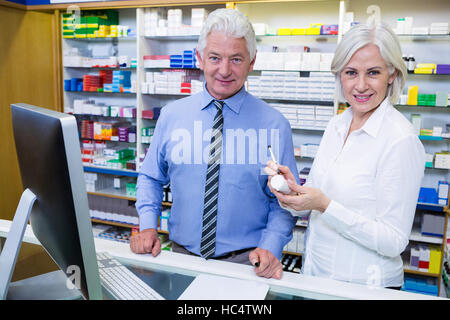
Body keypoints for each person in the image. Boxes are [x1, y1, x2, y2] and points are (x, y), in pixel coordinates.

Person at [130, 8, 298, 280]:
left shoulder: (274, 125)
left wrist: (271, 247)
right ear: (199, 58)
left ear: (252, 62)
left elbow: (286, 201)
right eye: (215, 58)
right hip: (181, 259)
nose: (224, 70)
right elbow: (150, 177)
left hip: (248, 265)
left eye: (236, 59)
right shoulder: (172, 116)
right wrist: (148, 225)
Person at [265, 22, 425, 289]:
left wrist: (325, 205)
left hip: (365, 288)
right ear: (340, 75)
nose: (360, 85)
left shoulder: (400, 139)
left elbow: (393, 240)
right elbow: (316, 198)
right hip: (317, 279)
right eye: (351, 73)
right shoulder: (337, 125)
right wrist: (293, 192)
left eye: (373, 72)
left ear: (392, 74)